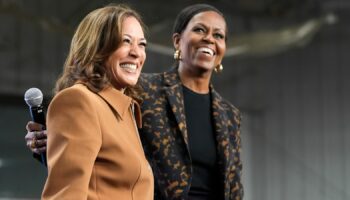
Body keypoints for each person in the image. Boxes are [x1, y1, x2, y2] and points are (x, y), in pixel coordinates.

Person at [25, 4, 243, 200]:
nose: (210, 39)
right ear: (177, 40)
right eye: (199, 30)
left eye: (219, 35)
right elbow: (79, 129)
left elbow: (232, 184)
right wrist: (49, 137)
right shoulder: (140, 91)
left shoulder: (229, 114)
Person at [30, 4, 154, 200]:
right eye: (125, 41)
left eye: (142, 44)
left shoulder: (125, 110)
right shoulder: (78, 101)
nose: (136, 53)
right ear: (97, 47)